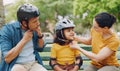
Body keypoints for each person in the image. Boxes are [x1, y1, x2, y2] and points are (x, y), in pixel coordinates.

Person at [0, 4, 48, 71]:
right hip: (17, 65)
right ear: (24, 23)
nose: (38, 23)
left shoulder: (33, 28)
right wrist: (24, 40)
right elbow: (7, 59)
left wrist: (39, 35)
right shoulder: (8, 30)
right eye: (34, 21)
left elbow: (40, 48)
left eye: (38, 20)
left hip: (33, 64)